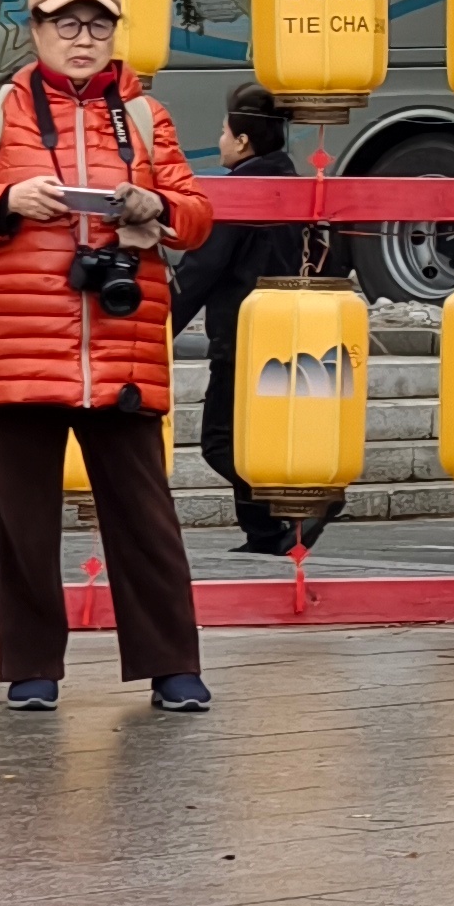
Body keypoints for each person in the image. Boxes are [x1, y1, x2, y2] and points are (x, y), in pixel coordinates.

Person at [0, 0, 217, 711]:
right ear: (37, 29)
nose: (83, 39)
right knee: (22, 524)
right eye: (66, 23)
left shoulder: (144, 116)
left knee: (146, 519)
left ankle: (172, 666)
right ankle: (31, 670)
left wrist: (152, 207)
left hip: (121, 342)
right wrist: (9, 200)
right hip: (18, 343)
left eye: (98, 25)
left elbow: (197, 216)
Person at [170, 83, 316, 557]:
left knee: (221, 441)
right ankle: (266, 534)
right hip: (293, 333)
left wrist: (160, 323)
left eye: (223, 132)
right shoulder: (295, 184)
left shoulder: (240, 193)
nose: (220, 141)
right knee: (262, 437)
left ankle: (291, 510)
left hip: (242, 333)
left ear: (243, 141)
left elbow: (202, 269)